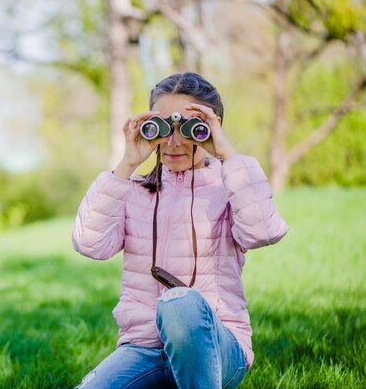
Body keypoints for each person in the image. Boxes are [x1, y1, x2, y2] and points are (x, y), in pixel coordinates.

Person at [72, 73, 288, 388]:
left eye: (191, 128)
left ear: (211, 129)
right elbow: (89, 243)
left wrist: (228, 155)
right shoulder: (132, 191)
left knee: (180, 303)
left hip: (216, 348)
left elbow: (263, 232)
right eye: (163, 127)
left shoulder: (230, 186)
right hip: (143, 348)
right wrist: (126, 165)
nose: (174, 142)